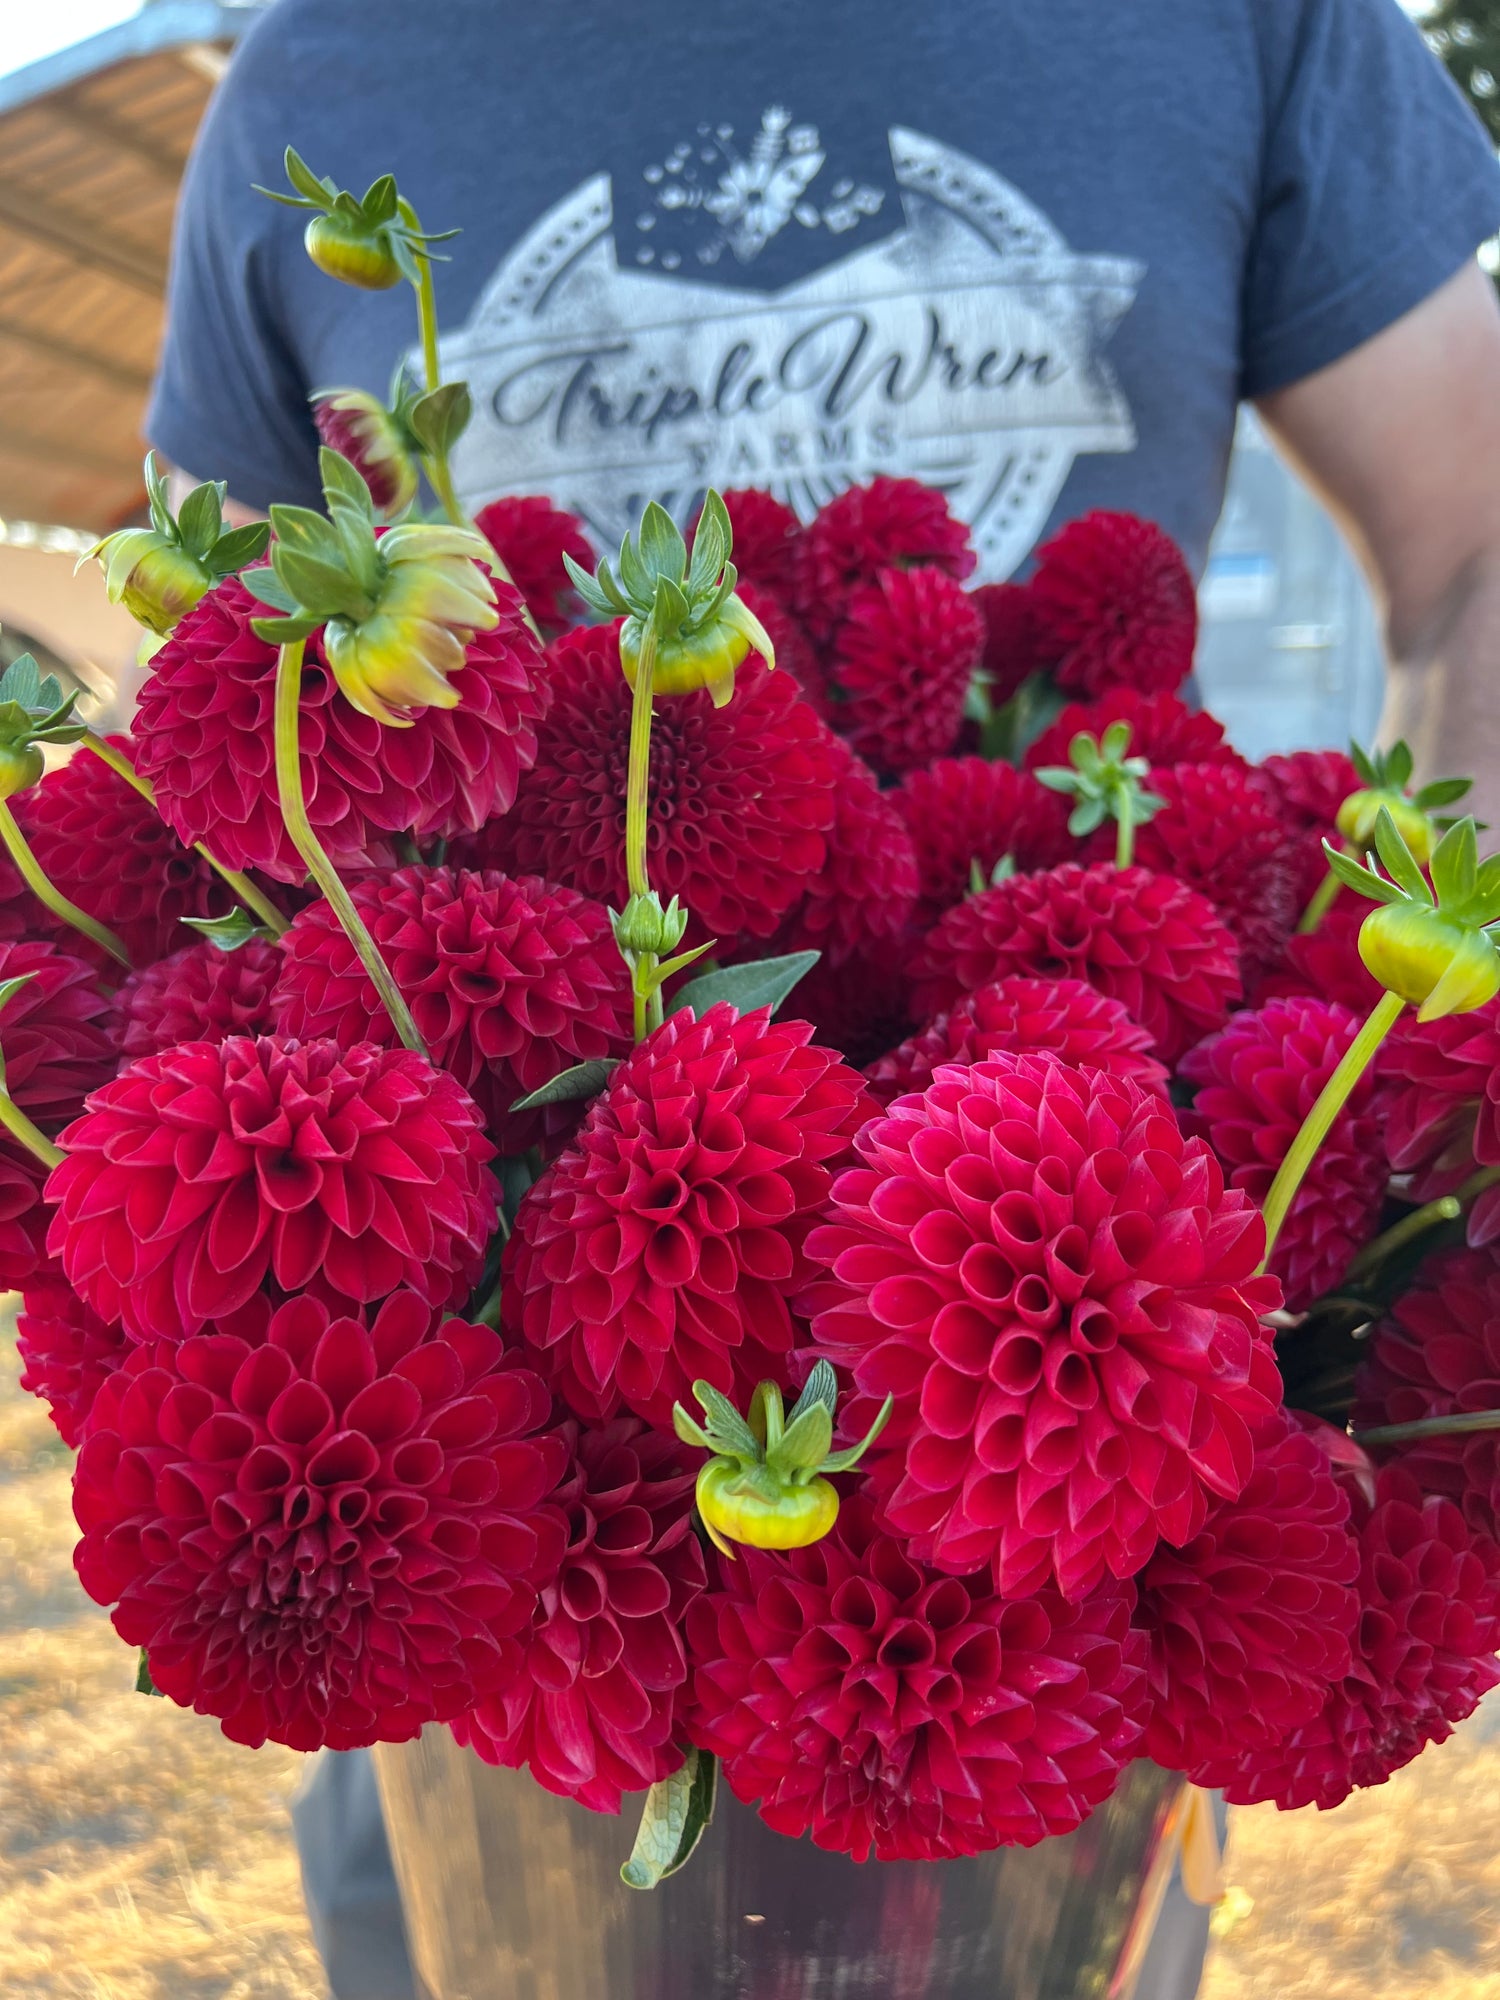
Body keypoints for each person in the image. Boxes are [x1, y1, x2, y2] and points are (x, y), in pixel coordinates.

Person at [143, 2, 1500, 1994]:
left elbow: (1480, 527)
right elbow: (222, 728)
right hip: (486, 1414)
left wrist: (1431, 1114)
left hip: (1084, 1362)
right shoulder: (319, 71)